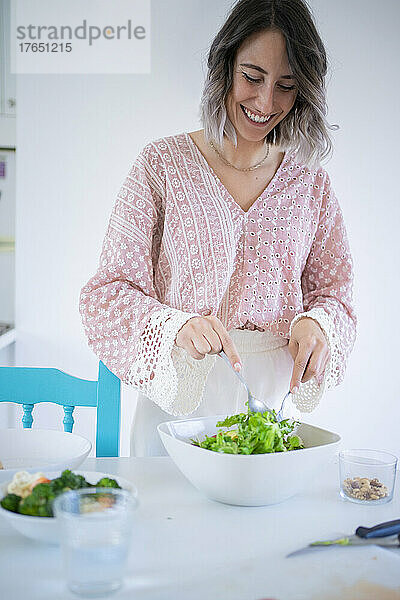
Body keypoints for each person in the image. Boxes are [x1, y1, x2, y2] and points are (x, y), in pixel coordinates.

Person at [79, 0, 357, 457]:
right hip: (177, 404)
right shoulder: (161, 166)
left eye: (286, 86)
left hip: (269, 410)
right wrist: (176, 325)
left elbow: (338, 298)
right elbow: (107, 293)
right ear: (224, 66)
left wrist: (317, 324)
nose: (266, 103)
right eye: (252, 77)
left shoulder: (311, 184)